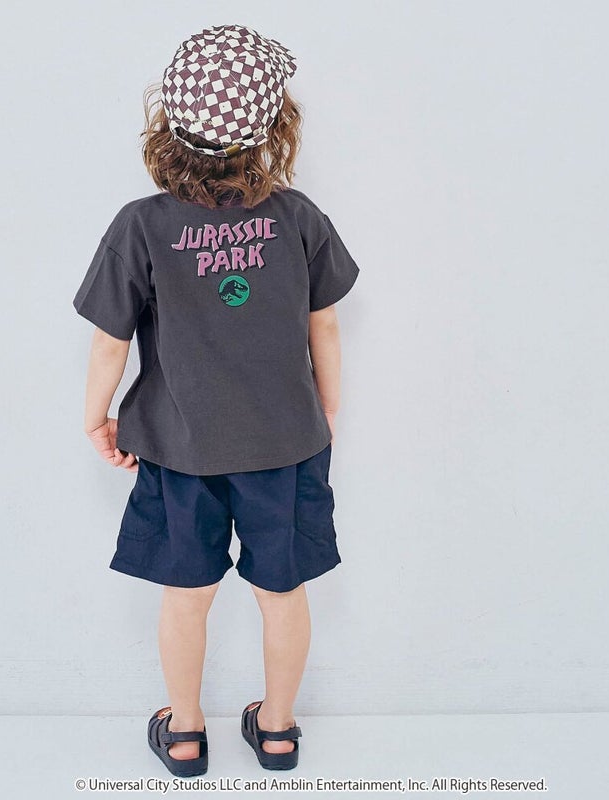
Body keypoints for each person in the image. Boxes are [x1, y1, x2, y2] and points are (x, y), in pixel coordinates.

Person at [72, 23, 360, 777]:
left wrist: (96, 416)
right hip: (285, 444)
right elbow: (325, 324)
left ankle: (187, 732)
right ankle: (278, 730)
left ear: (169, 125)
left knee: (186, 594)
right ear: (273, 127)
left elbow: (109, 341)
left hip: (180, 448)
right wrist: (326, 411)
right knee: (282, 591)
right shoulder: (297, 217)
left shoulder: (142, 225)